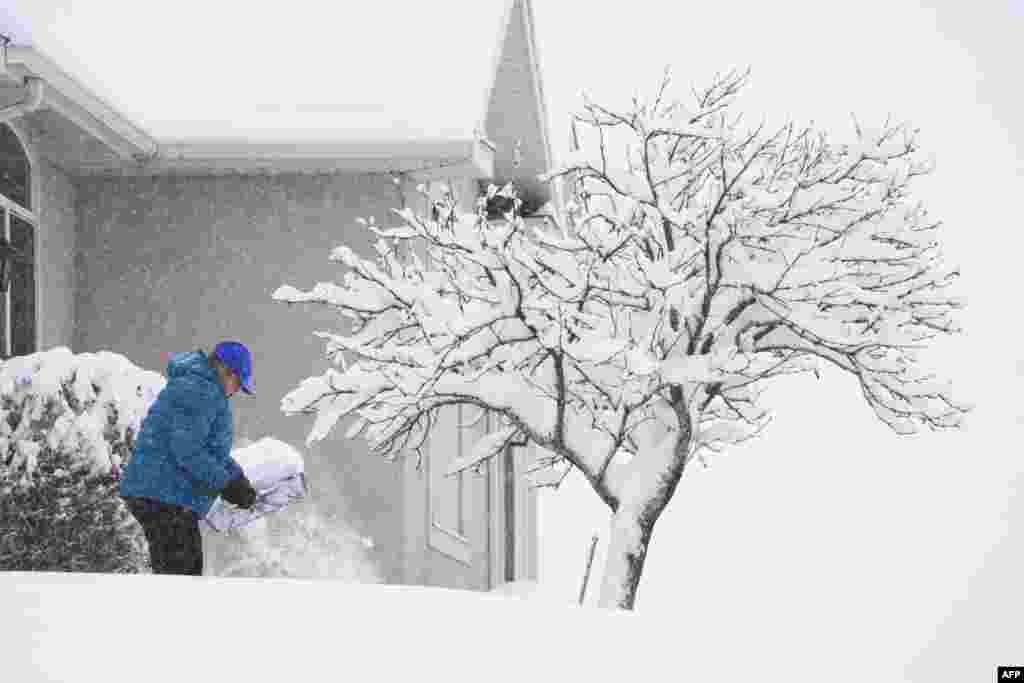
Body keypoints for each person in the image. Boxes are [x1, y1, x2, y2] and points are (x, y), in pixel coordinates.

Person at [120, 341, 259, 576]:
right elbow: (187, 450)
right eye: (237, 383)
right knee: (183, 576)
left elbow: (210, 450)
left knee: (182, 573)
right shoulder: (201, 391)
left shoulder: (200, 388)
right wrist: (225, 484)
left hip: (162, 492)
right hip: (162, 493)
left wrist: (237, 478)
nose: (236, 391)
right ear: (225, 370)